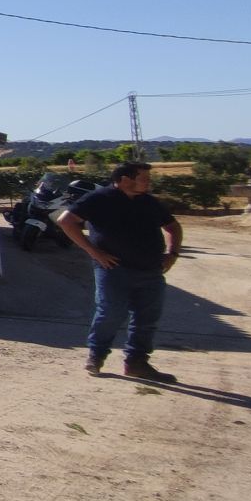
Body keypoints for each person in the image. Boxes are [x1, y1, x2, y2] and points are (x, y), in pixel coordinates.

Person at [56, 161, 184, 382]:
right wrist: (94, 252)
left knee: (147, 317)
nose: (148, 182)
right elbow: (66, 221)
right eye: (144, 178)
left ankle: (137, 362)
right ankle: (96, 356)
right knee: (111, 312)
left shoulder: (150, 202)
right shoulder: (99, 199)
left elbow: (173, 227)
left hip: (151, 270)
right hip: (114, 269)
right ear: (125, 179)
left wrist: (172, 254)